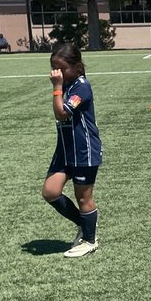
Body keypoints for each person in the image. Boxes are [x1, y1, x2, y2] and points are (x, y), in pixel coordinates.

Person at [41, 42, 102, 258]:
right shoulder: (65, 84)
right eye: (54, 68)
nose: (57, 73)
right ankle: (86, 225)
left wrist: (57, 87)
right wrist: (59, 86)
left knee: (83, 198)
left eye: (62, 68)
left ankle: (90, 240)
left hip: (84, 151)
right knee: (50, 192)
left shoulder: (81, 86)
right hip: (65, 151)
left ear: (77, 67)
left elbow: (61, 114)